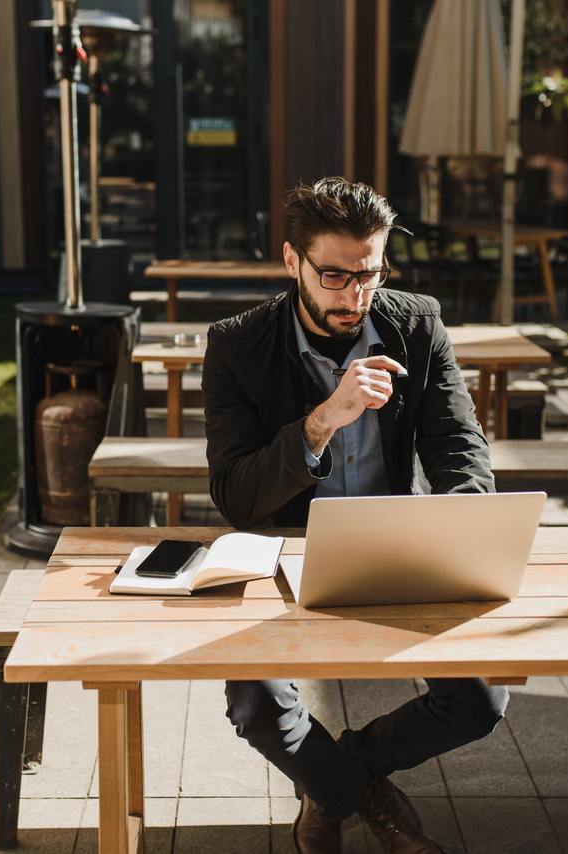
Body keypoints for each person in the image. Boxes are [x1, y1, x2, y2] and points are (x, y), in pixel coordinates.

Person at [202, 177, 505, 854]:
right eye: (334, 275)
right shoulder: (237, 345)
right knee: (254, 707)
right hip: (281, 556)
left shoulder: (417, 323)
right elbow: (234, 494)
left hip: (393, 548)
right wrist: (322, 421)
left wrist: (464, 522)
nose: (354, 295)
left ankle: (336, 778)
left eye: (368, 273)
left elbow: (460, 448)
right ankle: (360, 791)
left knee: (480, 703)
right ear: (292, 262)